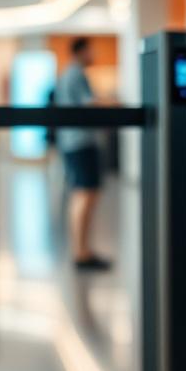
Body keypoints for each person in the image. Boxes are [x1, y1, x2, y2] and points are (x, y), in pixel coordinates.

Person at [54, 37, 110, 271]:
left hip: (71, 142)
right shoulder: (76, 75)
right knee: (86, 194)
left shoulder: (67, 75)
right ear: (82, 51)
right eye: (91, 51)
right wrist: (112, 104)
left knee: (81, 193)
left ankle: (82, 249)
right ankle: (82, 252)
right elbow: (90, 103)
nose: (93, 55)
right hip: (81, 142)